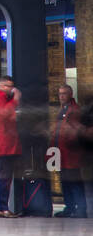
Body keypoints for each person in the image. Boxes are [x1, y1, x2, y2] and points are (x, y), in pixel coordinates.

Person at [0, 75, 22, 217]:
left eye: (11, 86)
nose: (10, 89)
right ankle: (2, 208)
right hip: (3, 146)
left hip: (8, 145)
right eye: (7, 86)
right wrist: (15, 100)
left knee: (6, 177)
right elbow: (4, 114)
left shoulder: (2, 99)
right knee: (4, 177)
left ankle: (3, 208)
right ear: (0, 86)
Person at [51, 84, 86, 218]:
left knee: (74, 181)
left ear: (70, 95)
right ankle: (70, 207)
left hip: (71, 154)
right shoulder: (63, 110)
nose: (61, 96)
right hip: (61, 153)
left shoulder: (74, 111)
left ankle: (80, 208)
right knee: (64, 181)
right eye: (60, 94)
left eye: (64, 93)